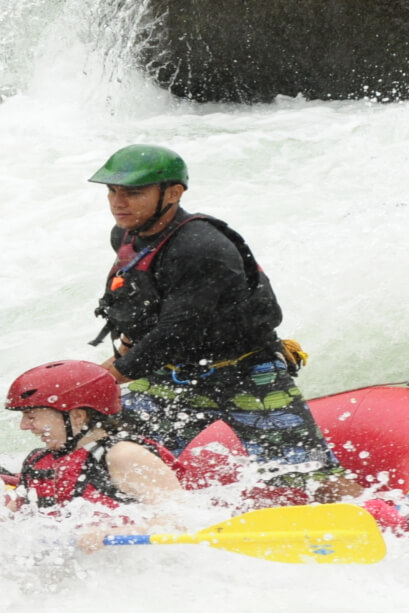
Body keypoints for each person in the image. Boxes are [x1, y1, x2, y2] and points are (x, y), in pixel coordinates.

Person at [86, 143, 359, 504]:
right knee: (109, 447)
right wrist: (114, 360)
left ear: (173, 193)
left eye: (133, 192)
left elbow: (173, 334)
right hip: (177, 375)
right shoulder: (127, 235)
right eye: (112, 191)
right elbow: (142, 308)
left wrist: (94, 384)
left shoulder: (201, 248)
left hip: (247, 374)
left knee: (309, 479)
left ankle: (386, 519)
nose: (118, 202)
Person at [0, 360, 188, 552]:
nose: (23, 426)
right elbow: (15, 514)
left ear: (77, 417)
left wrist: (114, 532)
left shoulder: (123, 455)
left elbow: (179, 520)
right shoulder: (38, 460)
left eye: (31, 416)